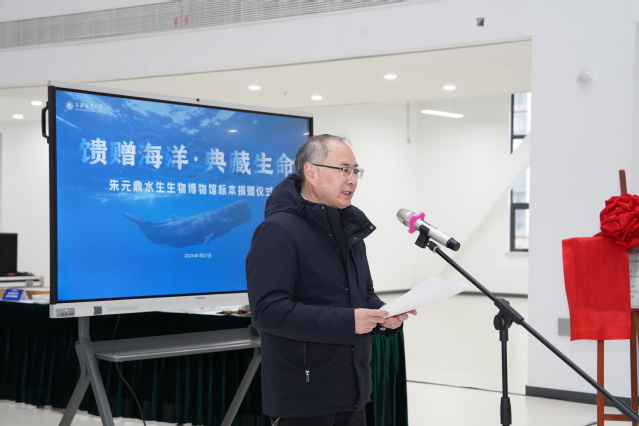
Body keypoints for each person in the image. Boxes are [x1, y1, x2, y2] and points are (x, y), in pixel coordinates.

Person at [246, 134, 414, 426]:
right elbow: (268, 312)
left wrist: (383, 315)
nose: (352, 180)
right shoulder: (278, 230)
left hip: (352, 390)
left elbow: (363, 294)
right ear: (311, 172)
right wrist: (350, 321)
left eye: (356, 171)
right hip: (303, 397)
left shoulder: (349, 230)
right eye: (344, 169)